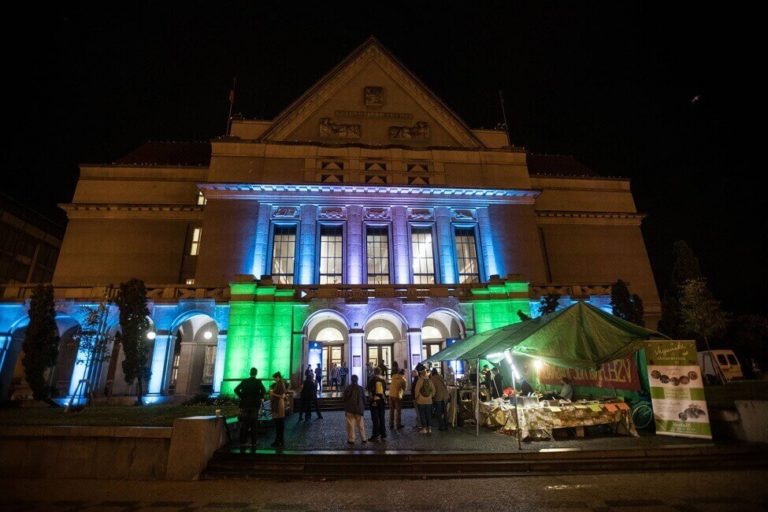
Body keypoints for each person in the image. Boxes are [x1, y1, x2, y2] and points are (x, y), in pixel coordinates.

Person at [234, 367, 266, 446]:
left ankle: (243, 441)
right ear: (256, 373)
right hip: (254, 406)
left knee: (244, 423)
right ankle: (253, 442)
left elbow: (236, 389)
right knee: (254, 424)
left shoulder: (245, 381)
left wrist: (242, 397)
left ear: (250, 373)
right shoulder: (258, 382)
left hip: (245, 405)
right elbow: (264, 390)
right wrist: (259, 397)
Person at [343, 374, 367, 445]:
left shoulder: (348, 388)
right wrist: (363, 406)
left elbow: (344, 398)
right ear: (357, 380)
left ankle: (351, 439)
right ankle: (363, 438)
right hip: (358, 408)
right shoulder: (361, 388)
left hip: (349, 409)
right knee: (360, 424)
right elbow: (364, 399)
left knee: (350, 425)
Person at [367, 367, 387, 442]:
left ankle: (375, 435)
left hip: (375, 400)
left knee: (375, 418)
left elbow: (369, 390)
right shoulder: (383, 380)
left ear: (374, 372)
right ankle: (383, 434)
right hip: (382, 400)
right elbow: (385, 389)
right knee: (382, 417)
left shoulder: (372, 379)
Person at [269, 371, 287, 448]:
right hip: (279, 404)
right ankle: (280, 440)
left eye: (274, 378)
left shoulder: (280, 384)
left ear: (278, 377)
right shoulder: (281, 383)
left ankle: (278, 440)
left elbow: (281, 395)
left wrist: (273, 393)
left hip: (278, 405)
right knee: (280, 423)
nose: (274, 380)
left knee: (279, 423)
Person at [414, 368, 434, 433]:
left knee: (422, 414)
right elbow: (434, 390)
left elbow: (416, 391)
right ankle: (430, 428)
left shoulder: (419, 381)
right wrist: (431, 396)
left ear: (421, 374)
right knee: (428, 414)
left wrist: (416, 397)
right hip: (429, 401)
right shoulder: (430, 381)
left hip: (421, 401)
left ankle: (424, 429)